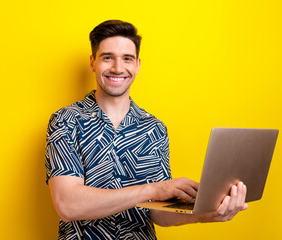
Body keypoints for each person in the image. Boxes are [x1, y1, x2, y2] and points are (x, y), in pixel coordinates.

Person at [45, 20, 248, 240]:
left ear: (138, 65)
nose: (118, 68)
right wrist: (153, 190)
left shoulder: (155, 128)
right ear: (93, 62)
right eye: (107, 57)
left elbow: (159, 213)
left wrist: (205, 213)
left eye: (127, 59)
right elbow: (68, 205)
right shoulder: (66, 121)